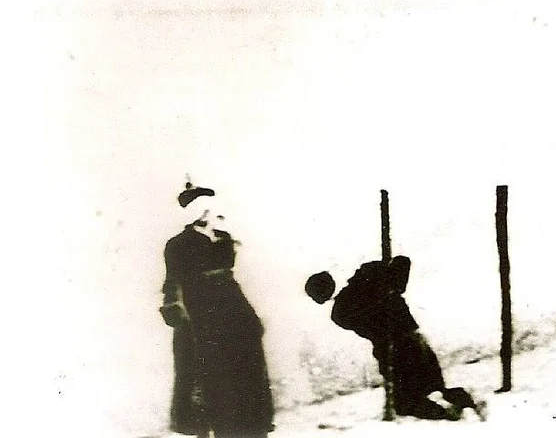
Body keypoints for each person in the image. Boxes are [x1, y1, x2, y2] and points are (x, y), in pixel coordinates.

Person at [305, 257, 486, 421]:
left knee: (406, 402)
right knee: (431, 389)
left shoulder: (341, 311)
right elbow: (402, 264)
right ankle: (465, 405)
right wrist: (382, 273)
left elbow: (380, 304)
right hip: (413, 341)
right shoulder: (365, 280)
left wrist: (382, 281)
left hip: (395, 351)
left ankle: (456, 412)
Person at [160, 182, 275, 438]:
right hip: (200, 315)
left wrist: (250, 321)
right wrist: (179, 314)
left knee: (242, 379)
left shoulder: (222, 238)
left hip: (232, 309)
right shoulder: (178, 244)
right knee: (209, 382)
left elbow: (227, 273)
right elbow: (172, 281)